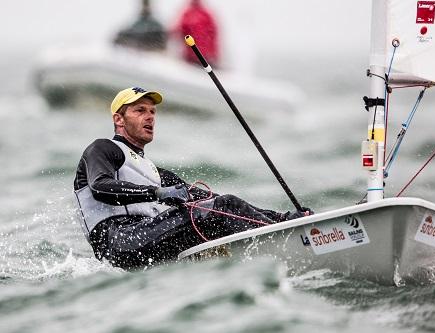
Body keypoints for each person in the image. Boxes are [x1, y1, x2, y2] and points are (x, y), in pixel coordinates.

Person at [74, 87, 312, 269]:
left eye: (152, 112)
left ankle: (286, 227)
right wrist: (157, 194)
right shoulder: (103, 149)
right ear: (119, 119)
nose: (150, 117)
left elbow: (208, 200)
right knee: (222, 207)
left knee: (220, 206)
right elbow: (100, 187)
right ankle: (292, 243)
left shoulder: (151, 170)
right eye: (140, 110)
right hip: (119, 243)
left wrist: (283, 216)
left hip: (145, 239)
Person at [172, 0, 219, 66]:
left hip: (193, 55)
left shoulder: (188, 15)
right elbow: (213, 33)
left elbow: (178, 30)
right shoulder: (206, 15)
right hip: (207, 56)